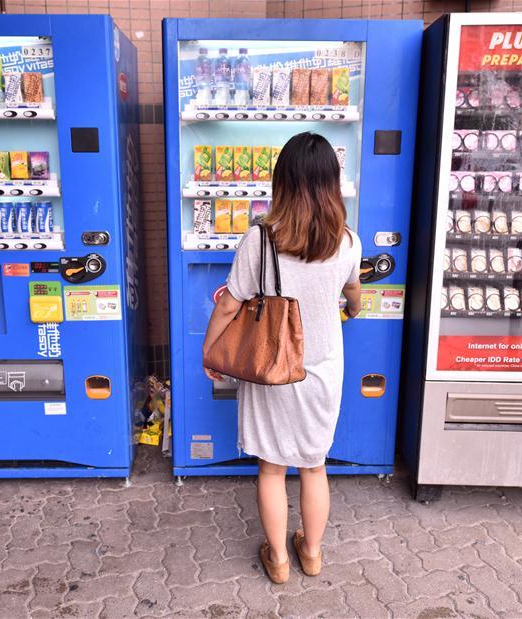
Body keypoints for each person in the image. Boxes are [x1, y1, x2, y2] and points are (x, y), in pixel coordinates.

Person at [201, 132, 362, 584]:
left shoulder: (261, 239)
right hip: (324, 366)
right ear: (331, 182)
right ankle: (311, 552)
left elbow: (229, 304)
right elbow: (353, 292)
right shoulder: (347, 241)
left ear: (282, 181)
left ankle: (278, 560)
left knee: (272, 468)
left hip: (272, 364)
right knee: (314, 464)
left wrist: (211, 349)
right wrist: (353, 309)